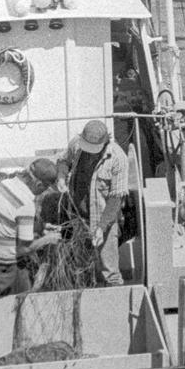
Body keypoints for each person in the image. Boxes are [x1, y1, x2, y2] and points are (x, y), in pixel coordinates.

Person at [58, 118, 130, 286]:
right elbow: (63, 160)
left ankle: (115, 301)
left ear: (105, 143)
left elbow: (116, 198)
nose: (89, 152)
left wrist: (101, 228)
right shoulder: (76, 144)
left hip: (104, 218)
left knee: (109, 270)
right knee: (82, 266)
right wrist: (61, 176)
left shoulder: (118, 158)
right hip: (78, 217)